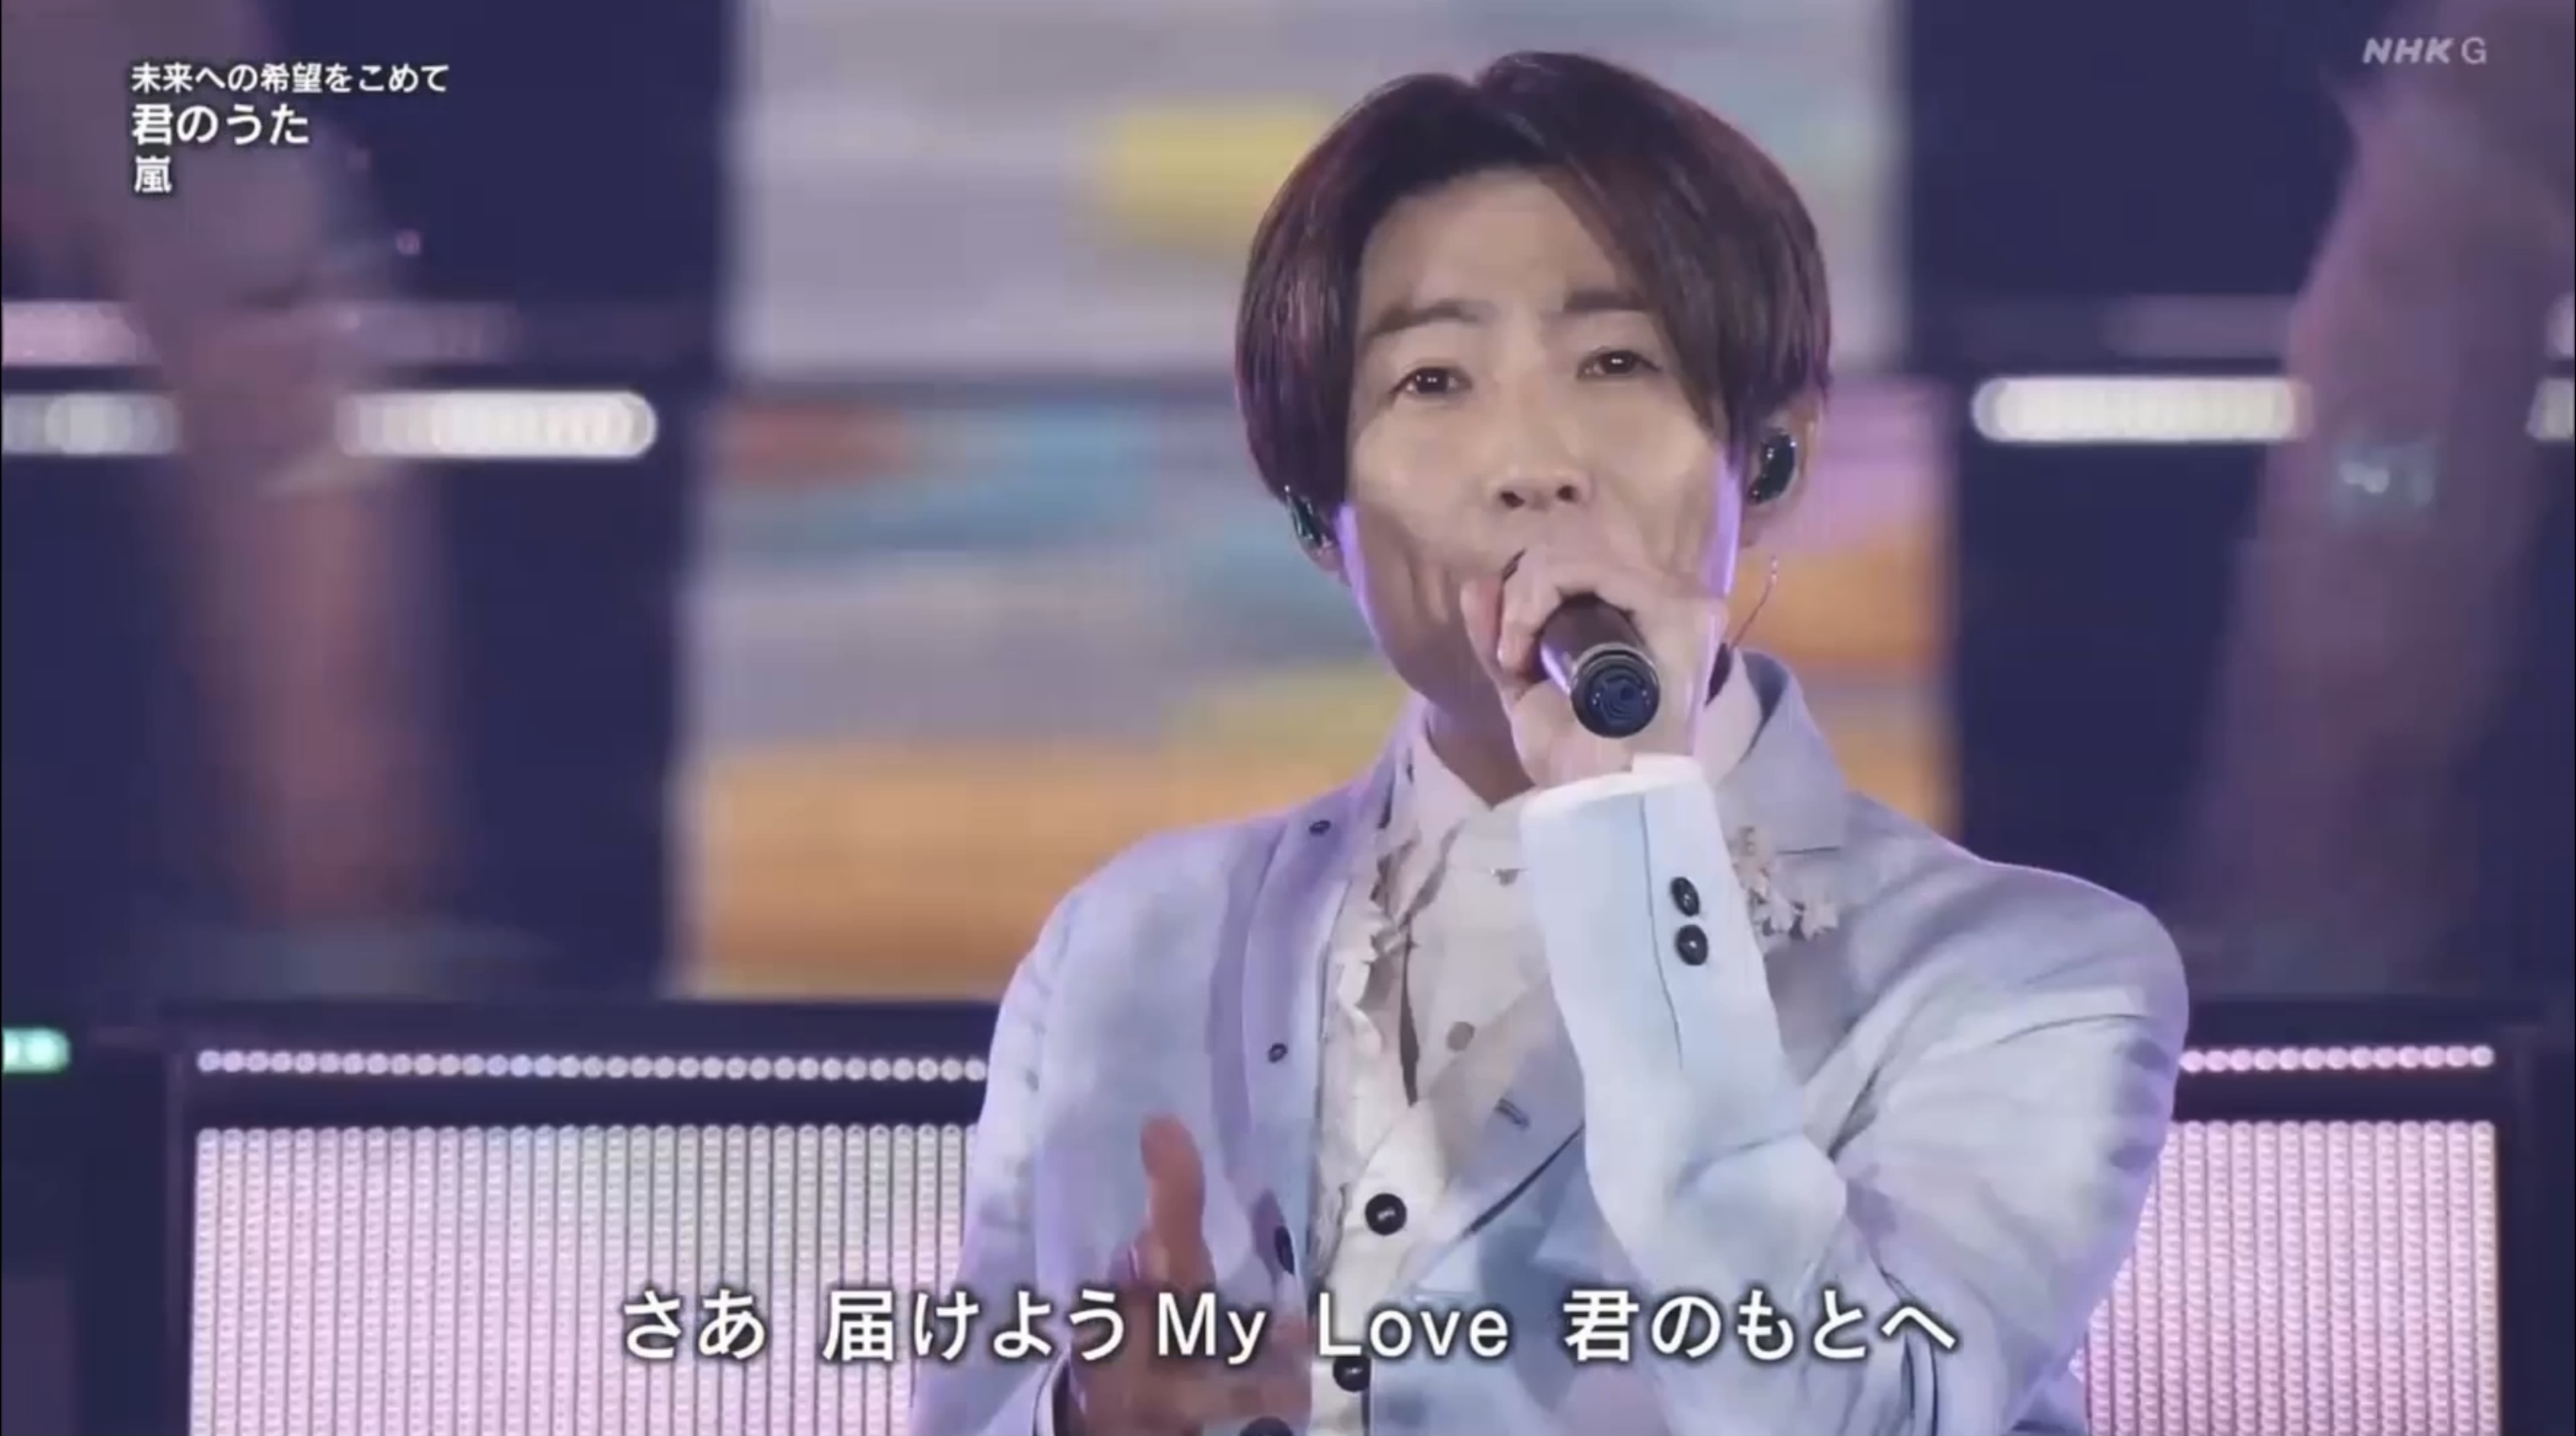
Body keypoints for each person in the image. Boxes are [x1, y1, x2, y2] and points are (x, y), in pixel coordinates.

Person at [911, 52, 2186, 1436]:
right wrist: (1088, 1417)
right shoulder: (1126, 948)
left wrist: (1632, 828)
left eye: (1615, 362)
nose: (1532, 462)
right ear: (1317, 518)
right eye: (1433, 379)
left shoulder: (2030, 977)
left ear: (1768, 459)